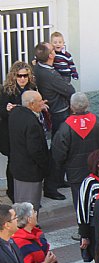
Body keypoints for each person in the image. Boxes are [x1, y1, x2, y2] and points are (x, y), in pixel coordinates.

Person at [52, 92, 99, 210]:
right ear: (88, 104)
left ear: (71, 106)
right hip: (97, 170)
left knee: (80, 204)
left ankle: (83, 226)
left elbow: (58, 153)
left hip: (75, 174)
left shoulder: (65, 127)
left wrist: (64, 166)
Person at [0, 61, 37, 202]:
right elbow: (1, 111)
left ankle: (27, 195)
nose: (22, 78)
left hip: (27, 133)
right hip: (10, 134)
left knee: (27, 161)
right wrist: (8, 109)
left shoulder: (32, 88)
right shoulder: (7, 91)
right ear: (14, 76)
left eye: (25, 76)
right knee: (13, 163)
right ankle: (13, 193)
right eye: (19, 76)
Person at [8, 91, 49, 210]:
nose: (42, 103)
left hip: (18, 167)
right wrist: (45, 165)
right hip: (30, 171)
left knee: (20, 203)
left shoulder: (15, 114)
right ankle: (30, 227)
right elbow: (35, 150)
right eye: (40, 101)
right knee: (29, 208)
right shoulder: (32, 123)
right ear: (31, 104)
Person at [32, 41, 75, 135]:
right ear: (51, 56)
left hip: (51, 109)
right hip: (59, 111)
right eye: (52, 49)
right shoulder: (51, 75)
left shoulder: (37, 67)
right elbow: (70, 91)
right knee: (61, 138)